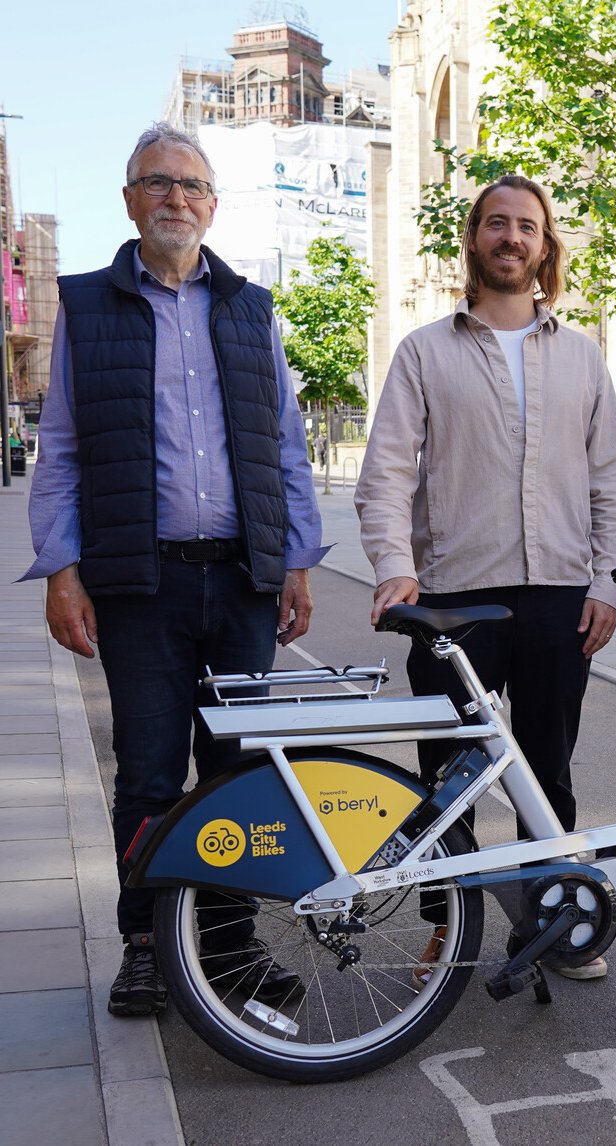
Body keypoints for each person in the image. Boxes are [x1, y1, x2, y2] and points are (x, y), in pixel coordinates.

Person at [22, 123, 326, 1018]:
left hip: (241, 580)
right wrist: (61, 570)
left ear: (212, 205)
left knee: (237, 771)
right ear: (128, 200)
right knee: (152, 773)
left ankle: (228, 949)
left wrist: (297, 561)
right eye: (157, 183)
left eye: (191, 186)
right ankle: (149, 947)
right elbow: (64, 451)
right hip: (140, 585)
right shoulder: (86, 306)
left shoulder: (251, 308)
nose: (175, 199)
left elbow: (284, 444)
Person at [355, 174, 616, 980]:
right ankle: (449, 933)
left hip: (557, 600)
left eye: (528, 228)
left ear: (546, 249)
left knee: (547, 773)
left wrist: (608, 587)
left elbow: (610, 483)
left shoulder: (582, 357)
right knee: (446, 782)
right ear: (474, 238)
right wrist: (394, 570)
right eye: (497, 225)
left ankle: (554, 923)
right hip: (453, 603)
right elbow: (386, 474)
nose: (513, 238)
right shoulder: (423, 352)